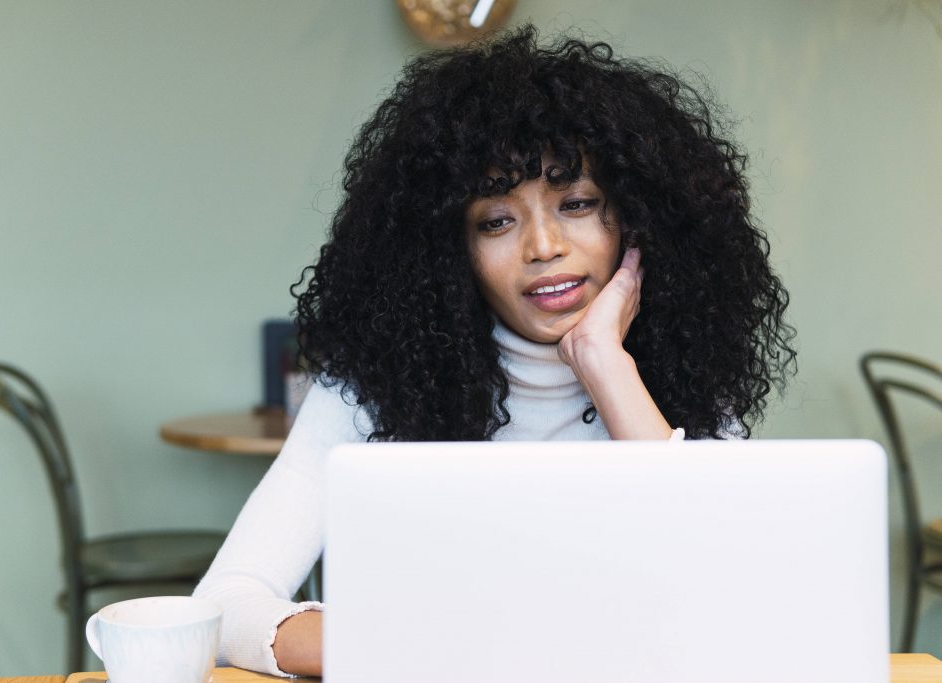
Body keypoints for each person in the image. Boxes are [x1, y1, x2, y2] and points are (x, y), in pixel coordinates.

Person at [193, 26, 796, 677]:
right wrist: (423, 646)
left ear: (634, 218)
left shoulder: (689, 383)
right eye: (497, 220)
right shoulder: (368, 390)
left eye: (577, 203)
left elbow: (729, 603)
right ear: (453, 249)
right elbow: (225, 604)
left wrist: (605, 364)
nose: (543, 246)